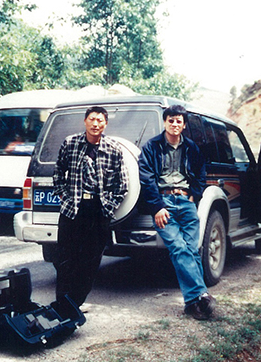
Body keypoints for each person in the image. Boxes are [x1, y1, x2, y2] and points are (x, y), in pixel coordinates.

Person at [138, 105, 216, 320]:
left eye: (178, 121)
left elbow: (200, 172)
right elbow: (146, 178)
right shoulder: (151, 146)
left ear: (183, 125)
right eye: (171, 120)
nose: (174, 124)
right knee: (178, 247)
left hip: (186, 202)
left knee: (191, 250)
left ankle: (192, 304)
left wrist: (194, 195)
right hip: (163, 203)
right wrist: (157, 207)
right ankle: (202, 295)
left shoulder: (191, 147)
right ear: (165, 122)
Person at [51, 106, 128, 318]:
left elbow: (122, 185)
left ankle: (74, 304)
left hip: (98, 212)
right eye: (92, 119)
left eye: (100, 120)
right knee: (66, 259)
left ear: (106, 124)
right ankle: (62, 304)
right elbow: (58, 173)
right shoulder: (70, 143)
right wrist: (64, 197)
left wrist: (108, 208)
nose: (95, 124)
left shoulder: (113, 149)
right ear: (85, 121)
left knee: (90, 262)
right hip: (73, 209)